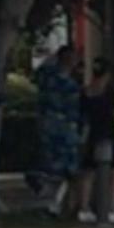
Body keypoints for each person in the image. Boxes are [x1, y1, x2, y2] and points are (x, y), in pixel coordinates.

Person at [30, 46, 84, 216]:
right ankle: (49, 203)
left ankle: (61, 205)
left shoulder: (72, 79)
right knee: (55, 167)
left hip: (68, 127)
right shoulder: (52, 78)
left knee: (70, 169)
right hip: (56, 127)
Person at [74, 61, 114, 225]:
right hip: (110, 134)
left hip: (92, 133)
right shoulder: (110, 92)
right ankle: (111, 208)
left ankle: (84, 209)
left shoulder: (86, 91)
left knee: (88, 172)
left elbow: (82, 112)